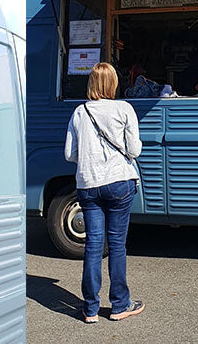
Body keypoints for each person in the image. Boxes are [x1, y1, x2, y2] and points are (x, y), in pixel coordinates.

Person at [65, 62, 144, 323]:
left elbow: (70, 154)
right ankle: (120, 305)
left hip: (88, 185)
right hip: (119, 183)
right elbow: (134, 150)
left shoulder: (80, 112)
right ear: (113, 83)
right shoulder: (124, 109)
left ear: (91, 84)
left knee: (93, 246)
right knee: (117, 246)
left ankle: (90, 309)